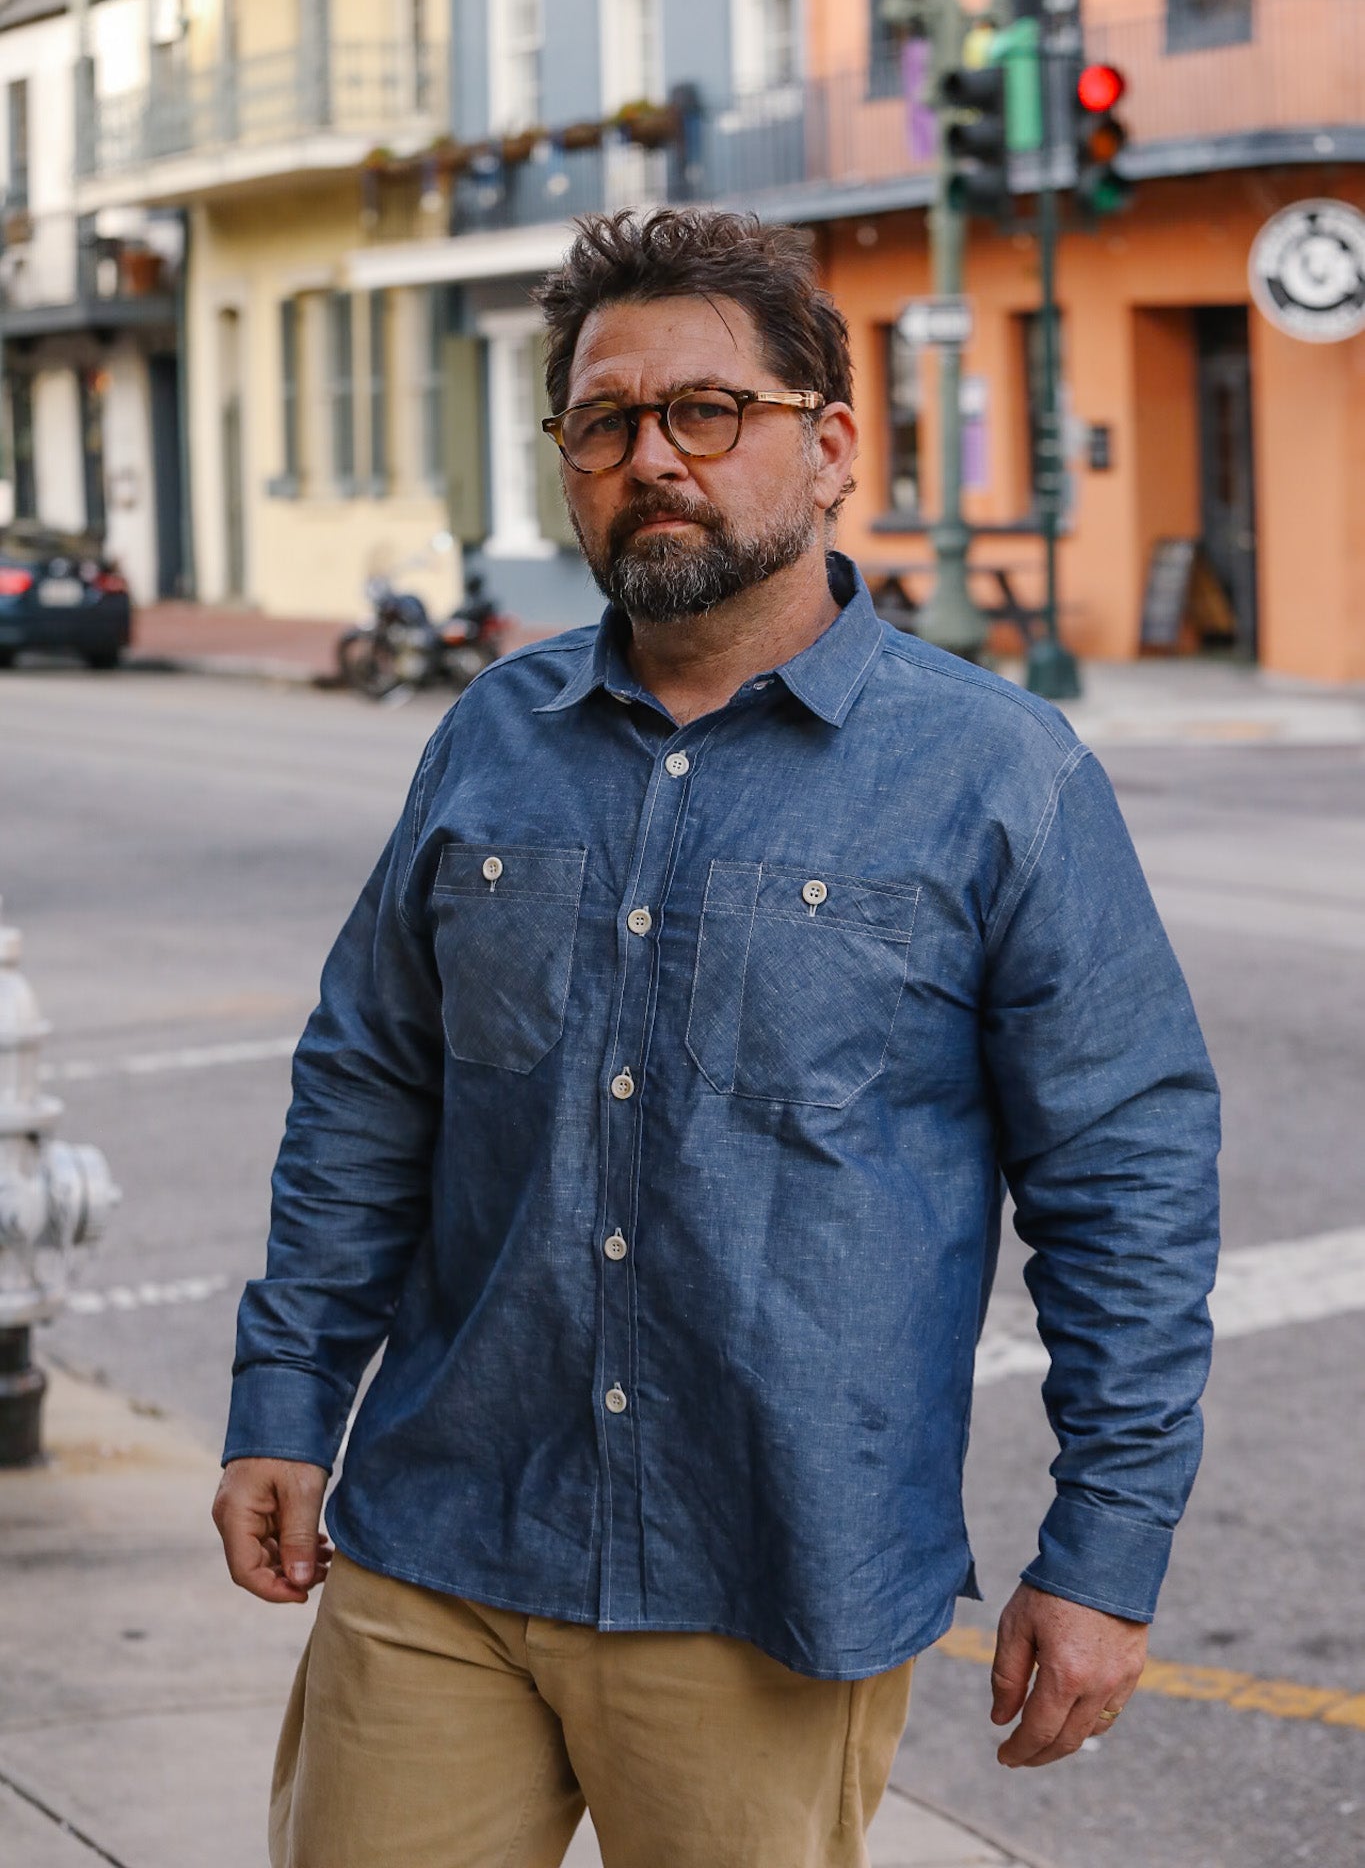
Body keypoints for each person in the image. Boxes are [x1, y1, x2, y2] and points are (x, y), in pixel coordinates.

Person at [213, 208, 1220, 1868]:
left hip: (769, 1573)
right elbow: (369, 1085)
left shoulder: (998, 777)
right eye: (603, 423)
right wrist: (282, 1395)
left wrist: (1101, 1551)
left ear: (825, 447)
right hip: (441, 1538)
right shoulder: (489, 738)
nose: (650, 458)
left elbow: (1125, 1181)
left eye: (705, 411)